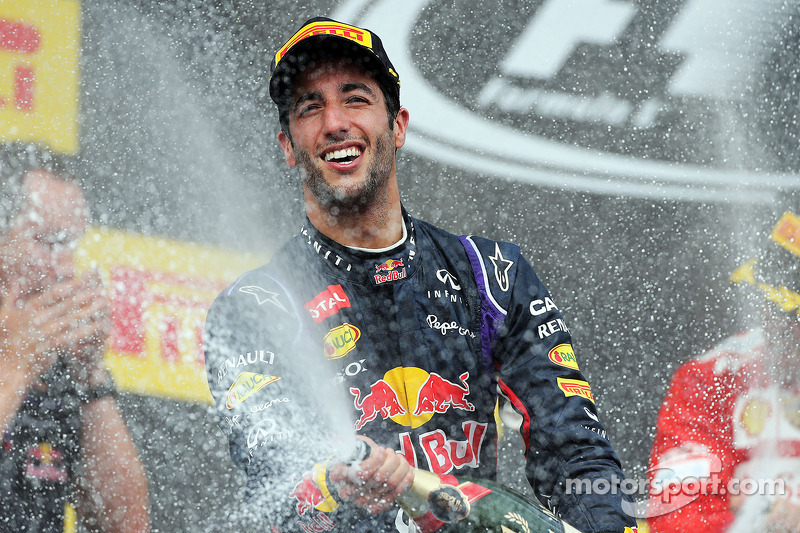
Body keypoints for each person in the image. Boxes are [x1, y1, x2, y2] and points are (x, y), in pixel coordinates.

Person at [203, 16, 637, 533]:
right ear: (288, 146)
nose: (335, 122)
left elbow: (576, 455)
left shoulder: (492, 276)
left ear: (399, 126)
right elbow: (272, 472)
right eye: (309, 108)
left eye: (355, 98)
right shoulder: (255, 306)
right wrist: (333, 482)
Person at [0, 142, 150, 532]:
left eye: (71, 246)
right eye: (48, 243)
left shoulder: (52, 364)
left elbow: (124, 525)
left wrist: (90, 375)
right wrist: (14, 367)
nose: (66, 270)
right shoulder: (24, 359)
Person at [648, 210, 800, 532]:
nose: (779, 325)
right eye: (771, 304)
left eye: (793, 314)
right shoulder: (709, 378)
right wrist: (762, 518)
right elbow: (678, 512)